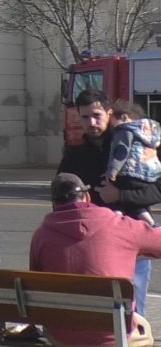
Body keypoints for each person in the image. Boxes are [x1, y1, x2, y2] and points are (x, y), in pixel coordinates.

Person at [31, 173, 159, 347]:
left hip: (62, 336)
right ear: (87, 197)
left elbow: (36, 286)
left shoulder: (41, 236)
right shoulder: (120, 226)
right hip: (115, 336)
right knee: (144, 329)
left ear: (54, 205)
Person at [64, 89, 155, 311]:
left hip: (134, 244)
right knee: (99, 312)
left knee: (134, 314)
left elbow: (156, 189)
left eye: (97, 115)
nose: (92, 122)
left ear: (108, 112)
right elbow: (62, 200)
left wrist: (120, 196)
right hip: (93, 246)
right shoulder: (73, 155)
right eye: (85, 117)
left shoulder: (133, 145)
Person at [104, 100, 161, 225]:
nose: (113, 129)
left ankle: (116, 218)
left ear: (124, 117)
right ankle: (151, 223)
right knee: (137, 205)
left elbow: (121, 151)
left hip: (130, 173)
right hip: (149, 177)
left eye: (113, 125)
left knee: (117, 200)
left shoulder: (125, 130)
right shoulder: (149, 132)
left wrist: (112, 171)